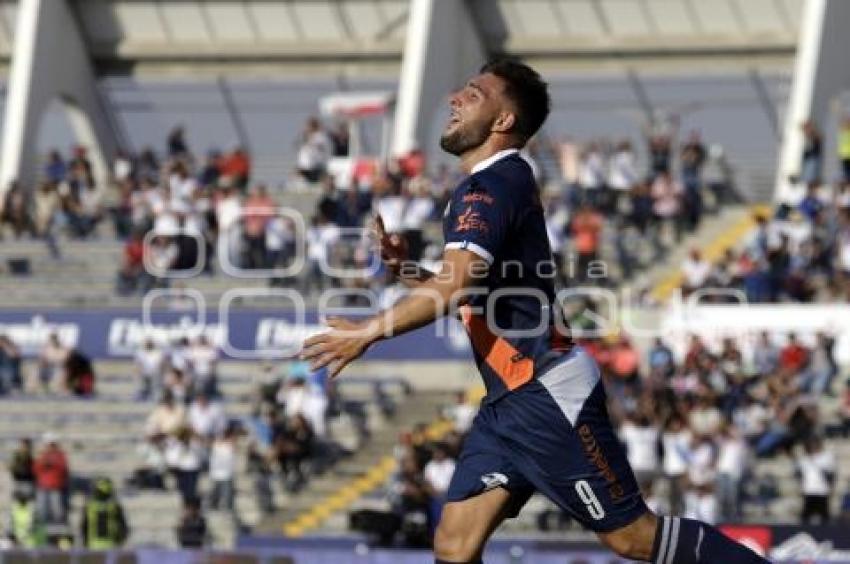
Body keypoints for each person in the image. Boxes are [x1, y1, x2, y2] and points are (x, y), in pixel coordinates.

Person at [301, 60, 768, 563]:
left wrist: (369, 332)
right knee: (454, 544)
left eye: (474, 94)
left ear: (503, 122)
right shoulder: (491, 184)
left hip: (544, 390)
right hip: (508, 402)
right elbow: (469, 289)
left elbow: (458, 283)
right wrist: (408, 271)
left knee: (631, 537)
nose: (455, 98)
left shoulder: (490, 187)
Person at [80, 478, 129, 549]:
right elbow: (123, 525)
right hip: (111, 543)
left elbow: (84, 525)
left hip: (93, 544)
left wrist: (85, 541)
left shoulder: (90, 506)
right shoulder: (114, 506)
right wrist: (121, 539)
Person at [797, 436, 835, 524]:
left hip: (822, 490)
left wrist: (831, 486)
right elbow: (800, 475)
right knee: (806, 516)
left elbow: (831, 474)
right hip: (808, 490)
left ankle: (827, 535)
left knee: (824, 516)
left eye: (815, 444)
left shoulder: (826, 457)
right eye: (811, 445)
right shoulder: (803, 460)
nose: (813, 447)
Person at [33, 433, 69, 524]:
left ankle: (59, 528)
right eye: (49, 444)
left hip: (55, 487)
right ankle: (42, 527)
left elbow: (63, 469)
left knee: (57, 509)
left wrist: (52, 463)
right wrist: (44, 463)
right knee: (42, 509)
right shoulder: (42, 455)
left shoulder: (60, 455)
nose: (50, 447)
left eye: (52, 444)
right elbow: (36, 469)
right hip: (43, 486)